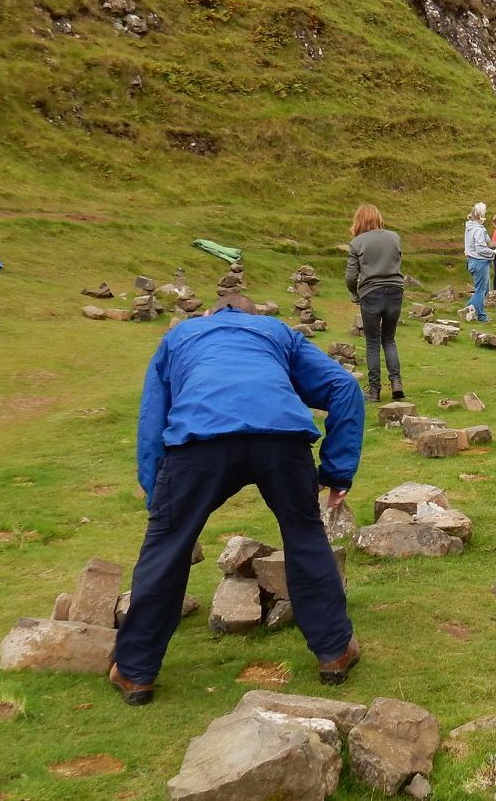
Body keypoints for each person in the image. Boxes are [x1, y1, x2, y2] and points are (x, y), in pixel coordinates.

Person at [110, 293, 363, 705]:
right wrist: (336, 470)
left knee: (167, 545)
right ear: (254, 314)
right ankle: (334, 653)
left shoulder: (182, 335)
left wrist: (159, 498)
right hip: (280, 439)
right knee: (304, 536)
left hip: (200, 442)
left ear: (212, 313)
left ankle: (136, 673)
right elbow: (343, 386)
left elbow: (153, 416)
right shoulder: (278, 331)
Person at [346, 203, 406, 403]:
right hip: (396, 291)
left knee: (372, 343)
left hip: (371, 293)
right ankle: (396, 383)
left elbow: (351, 276)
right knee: (389, 339)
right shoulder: (395, 237)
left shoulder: (357, 243)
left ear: (359, 221)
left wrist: (355, 293)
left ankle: (374, 391)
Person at [463, 203, 496, 322]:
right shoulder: (477, 229)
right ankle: (481, 316)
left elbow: (488, 241)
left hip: (473, 261)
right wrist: (493, 253)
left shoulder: (471, 227)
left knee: (484, 289)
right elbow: (481, 248)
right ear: (480, 215)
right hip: (479, 262)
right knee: (481, 290)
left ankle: (469, 309)